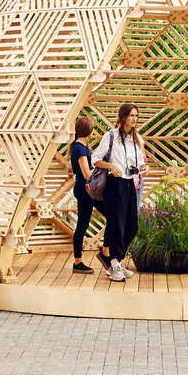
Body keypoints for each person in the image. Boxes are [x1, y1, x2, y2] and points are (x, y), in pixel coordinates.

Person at [92, 103, 146, 282]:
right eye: (131, 115)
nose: (134, 119)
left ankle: (117, 261)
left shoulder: (137, 138)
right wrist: (111, 166)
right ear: (123, 117)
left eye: (136, 116)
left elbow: (141, 163)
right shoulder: (111, 136)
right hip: (114, 184)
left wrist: (144, 168)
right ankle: (114, 263)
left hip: (131, 183)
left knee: (132, 225)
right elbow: (95, 159)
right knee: (117, 224)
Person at [70, 117, 98, 274]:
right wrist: (103, 170)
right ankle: (77, 262)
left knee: (111, 215)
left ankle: (107, 253)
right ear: (89, 130)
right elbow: (87, 173)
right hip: (85, 189)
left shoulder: (81, 146)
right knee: (82, 225)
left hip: (88, 190)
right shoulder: (80, 148)